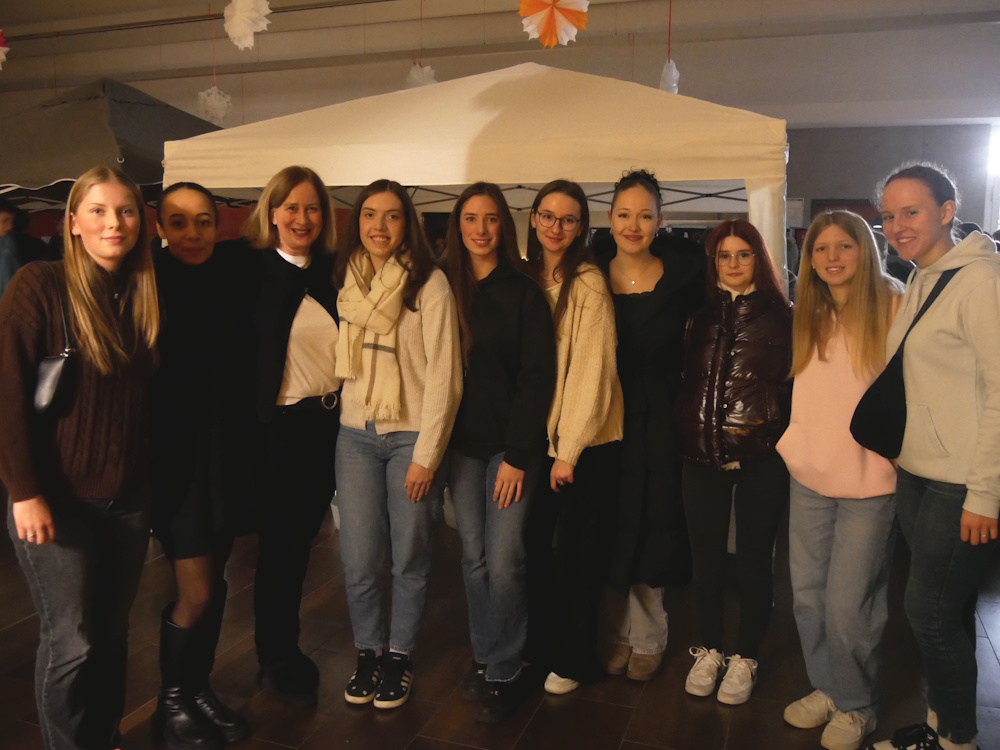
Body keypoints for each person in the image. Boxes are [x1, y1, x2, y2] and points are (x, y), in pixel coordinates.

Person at [0, 166, 159, 750]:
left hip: (127, 500)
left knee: (113, 636)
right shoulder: (39, 283)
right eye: (98, 210)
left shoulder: (142, 293)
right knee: (72, 641)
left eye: (125, 211)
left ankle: (103, 738)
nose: (114, 223)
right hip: (56, 500)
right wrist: (24, 492)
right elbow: (6, 393)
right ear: (72, 222)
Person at [867, 163, 1000, 750]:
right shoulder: (922, 276)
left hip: (959, 482)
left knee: (928, 613)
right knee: (947, 611)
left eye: (911, 212)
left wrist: (986, 495)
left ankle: (957, 741)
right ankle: (943, 727)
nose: (897, 225)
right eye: (888, 215)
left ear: (947, 211)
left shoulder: (981, 280)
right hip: (918, 473)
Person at [774, 211, 903, 750]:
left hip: (870, 481)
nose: (832, 257)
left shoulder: (894, 304)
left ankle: (856, 705)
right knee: (807, 597)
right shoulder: (810, 308)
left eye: (844, 246)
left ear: (865, 249)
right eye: (821, 248)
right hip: (809, 474)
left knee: (851, 606)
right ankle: (829, 687)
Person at [333, 179, 462, 710]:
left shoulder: (429, 284)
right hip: (355, 434)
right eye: (369, 214)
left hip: (411, 436)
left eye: (391, 215)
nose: (379, 226)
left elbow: (445, 378)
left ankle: (400, 654)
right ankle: (368, 650)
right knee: (359, 557)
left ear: (407, 223)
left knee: (409, 555)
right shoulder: (348, 282)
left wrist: (427, 456)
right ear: (357, 222)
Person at [443, 183, 556, 722]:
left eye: (490, 219)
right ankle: (485, 653)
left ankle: (507, 666)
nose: (480, 229)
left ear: (504, 227)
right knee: (474, 557)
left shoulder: (523, 291)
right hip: (462, 448)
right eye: (471, 218)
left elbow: (537, 378)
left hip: (511, 451)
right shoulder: (444, 287)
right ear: (457, 226)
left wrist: (517, 454)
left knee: (506, 559)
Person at [150, 182, 256, 748]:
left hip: (225, 457)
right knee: (196, 591)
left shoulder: (230, 276)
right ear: (160, 228)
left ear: (218, 225)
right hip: (175, 463)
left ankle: (197, 689)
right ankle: (169, 704)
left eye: (203, 222)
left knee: (214, 582)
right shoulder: (146, 282)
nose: (192, 234)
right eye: (178, 222)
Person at [594, 169, 703, 684]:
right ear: (609, 218)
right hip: (605, 412)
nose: (632, 225)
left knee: (656, 519)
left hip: (661, 412)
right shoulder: (590, 273)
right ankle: (617, 632)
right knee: (612, 519)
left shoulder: (685, 276)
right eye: (623, 214)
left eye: (644, 215)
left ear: (661, 221)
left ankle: (650, 636)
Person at [675, 218, 791, 705]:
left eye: (743, 254)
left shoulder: (783, 316)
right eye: (724, 255)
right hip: (700, 455)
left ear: (758, 258)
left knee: (753, 562)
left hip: (763, 457)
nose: (733, 263)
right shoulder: (697, 316)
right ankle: (710, 649)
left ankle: (746, 655)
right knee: (704, 562)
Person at [523, 179, 624, 696]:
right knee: (536, 548)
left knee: (578, 556)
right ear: (533, 218)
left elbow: (592, 372)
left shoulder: (587, 283)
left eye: (568, 219)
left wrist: (570, 450)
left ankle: (573, 658)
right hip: (541, 441)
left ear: (582, 226)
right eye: (547, 216)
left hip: (582, 446)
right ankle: (541, 647)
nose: (556, 227)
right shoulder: (529, 277)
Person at [244, 165, 340, 708]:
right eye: (292, 208)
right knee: (280, 545)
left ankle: (283, 642)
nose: (302, 218)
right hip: (278, 430)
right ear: (272, 212)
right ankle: (276, 651)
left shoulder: (333, 274)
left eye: (312, 208)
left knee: (303, 542)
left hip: (329, 425)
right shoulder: (252, 273)